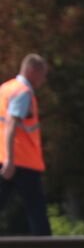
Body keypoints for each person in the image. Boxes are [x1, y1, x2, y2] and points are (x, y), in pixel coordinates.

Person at [0, 54, 51, 236]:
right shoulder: (23, 92)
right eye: (43, 74)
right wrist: (11, 160)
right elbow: (12, 123)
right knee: (36, 210)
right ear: (32, 71)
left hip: (6, 157)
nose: (44, 80)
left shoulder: (6, 88)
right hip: (21, 161)